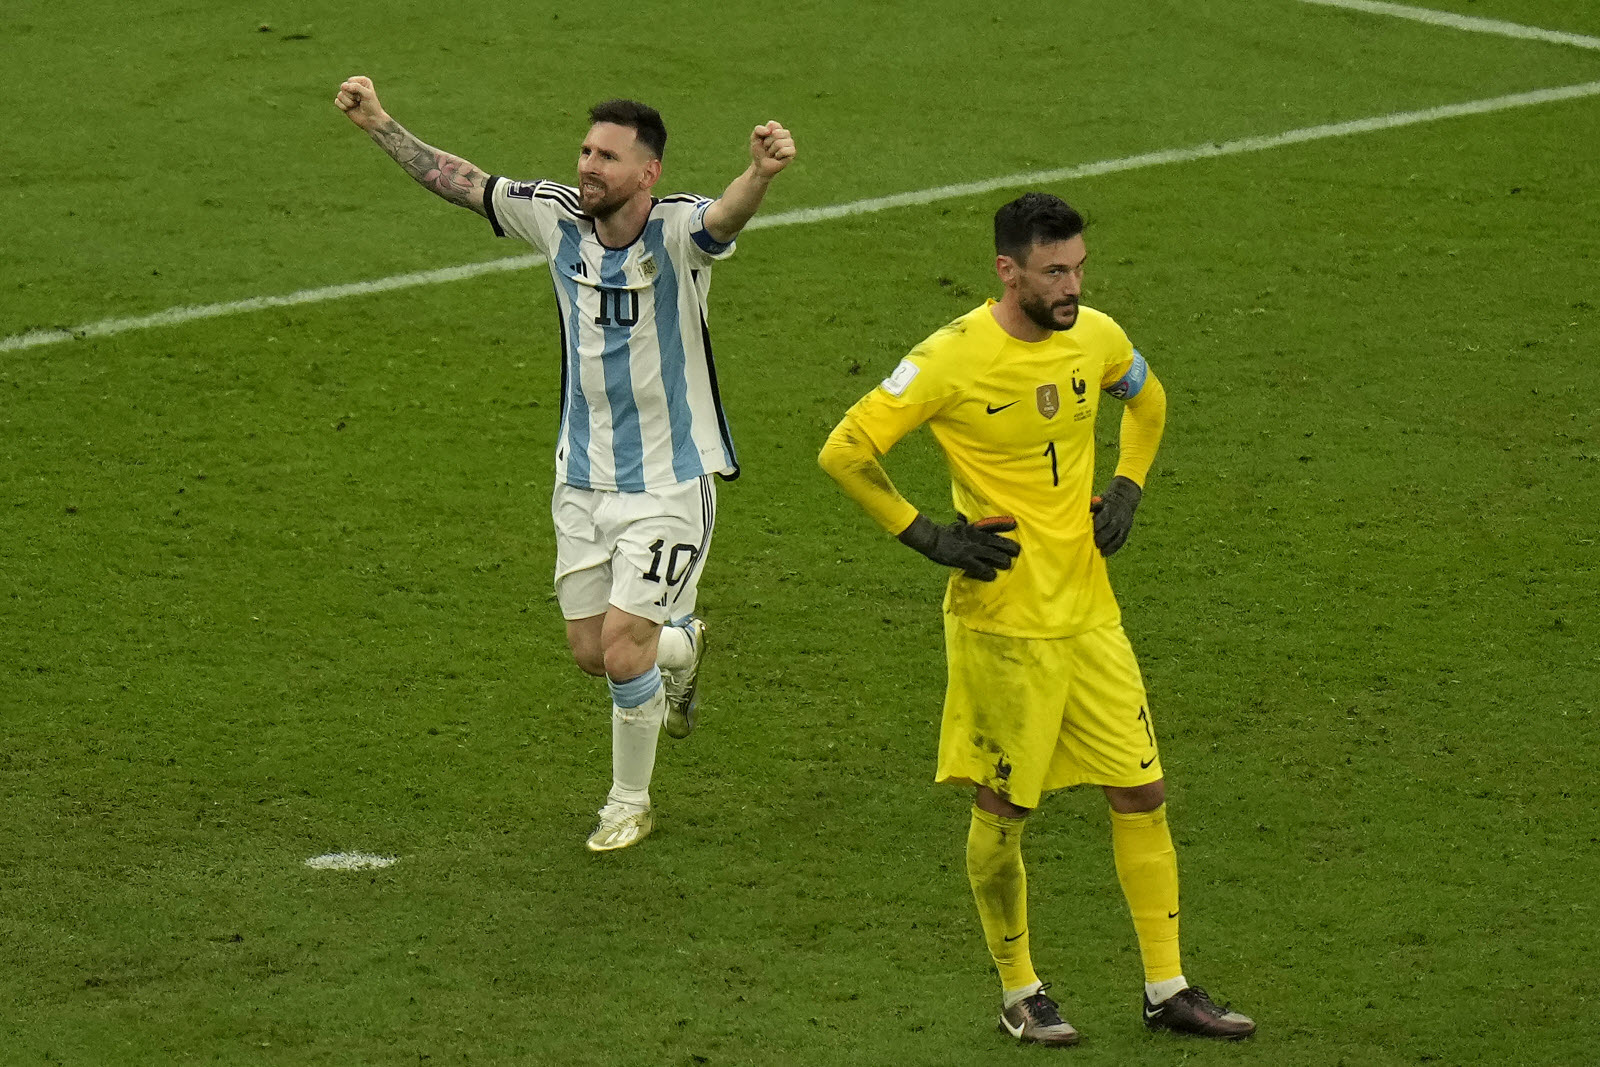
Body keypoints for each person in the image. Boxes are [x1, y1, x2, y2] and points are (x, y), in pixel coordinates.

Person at [818, 192, 1255, 1043]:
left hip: (1091, 614)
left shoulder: (1096, 335)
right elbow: (845, 449)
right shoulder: (950, 358)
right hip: (1004, 625)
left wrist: (1128, 484)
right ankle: (1020, 989)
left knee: (1142, 790)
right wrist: (928, 537)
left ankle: (1166, 987)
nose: (1073, 285)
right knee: (1004, 809)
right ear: (1007, 270)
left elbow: (1149, 397)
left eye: (1080, 267)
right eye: (1055, 271)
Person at [335, 76, 795, 852]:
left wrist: (759, 173)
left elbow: (725, 216)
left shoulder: (677, 233)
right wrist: (380, 122)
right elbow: (464, 182)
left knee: (621, 649)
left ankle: (629, 801)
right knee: (594, 652)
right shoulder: (556, 219)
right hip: (579, 479)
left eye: (607, 157)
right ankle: (682, 646)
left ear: (646, 173)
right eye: (586, 150)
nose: (588, 166)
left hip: (669, 483)